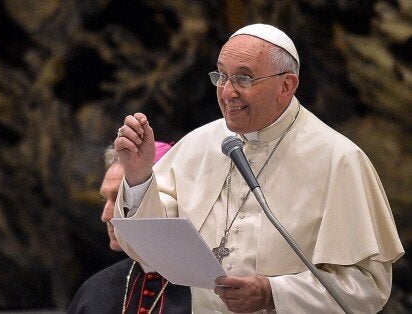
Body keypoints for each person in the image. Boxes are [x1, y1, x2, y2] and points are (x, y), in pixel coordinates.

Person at [113, 23, 404, 313]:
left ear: (286, 86)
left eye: (243, 78)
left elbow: (367, 287)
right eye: (222, 76)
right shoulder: (199, 145)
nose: (227, 92)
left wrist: (273, 294)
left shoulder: (339, 160)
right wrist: (139, 177)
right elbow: (150, 254)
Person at [67, 141, 191, 314]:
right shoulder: (94, 291)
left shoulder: (207, 288)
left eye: (121, 198)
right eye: (105, 199)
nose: (106, 216)